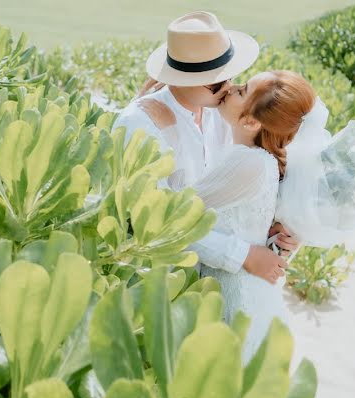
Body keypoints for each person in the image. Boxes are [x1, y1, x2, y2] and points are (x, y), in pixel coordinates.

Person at [140, 70, 318, 398]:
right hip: (251, 296)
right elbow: (253, 225)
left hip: (234, 298)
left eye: (241, 90)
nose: (230, 87)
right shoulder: (254, 156)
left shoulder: (247, 163)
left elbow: (178, 215)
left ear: (254, 122)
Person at [113, 11, 300, 283]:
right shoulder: (139, 124)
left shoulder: (223, 112)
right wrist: (243, 255)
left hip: (215, 280)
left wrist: (280, 225)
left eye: (231, 75)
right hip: (158, 278)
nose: (229, 87)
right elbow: (154, 215)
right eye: (216, 82)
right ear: (180, 77)